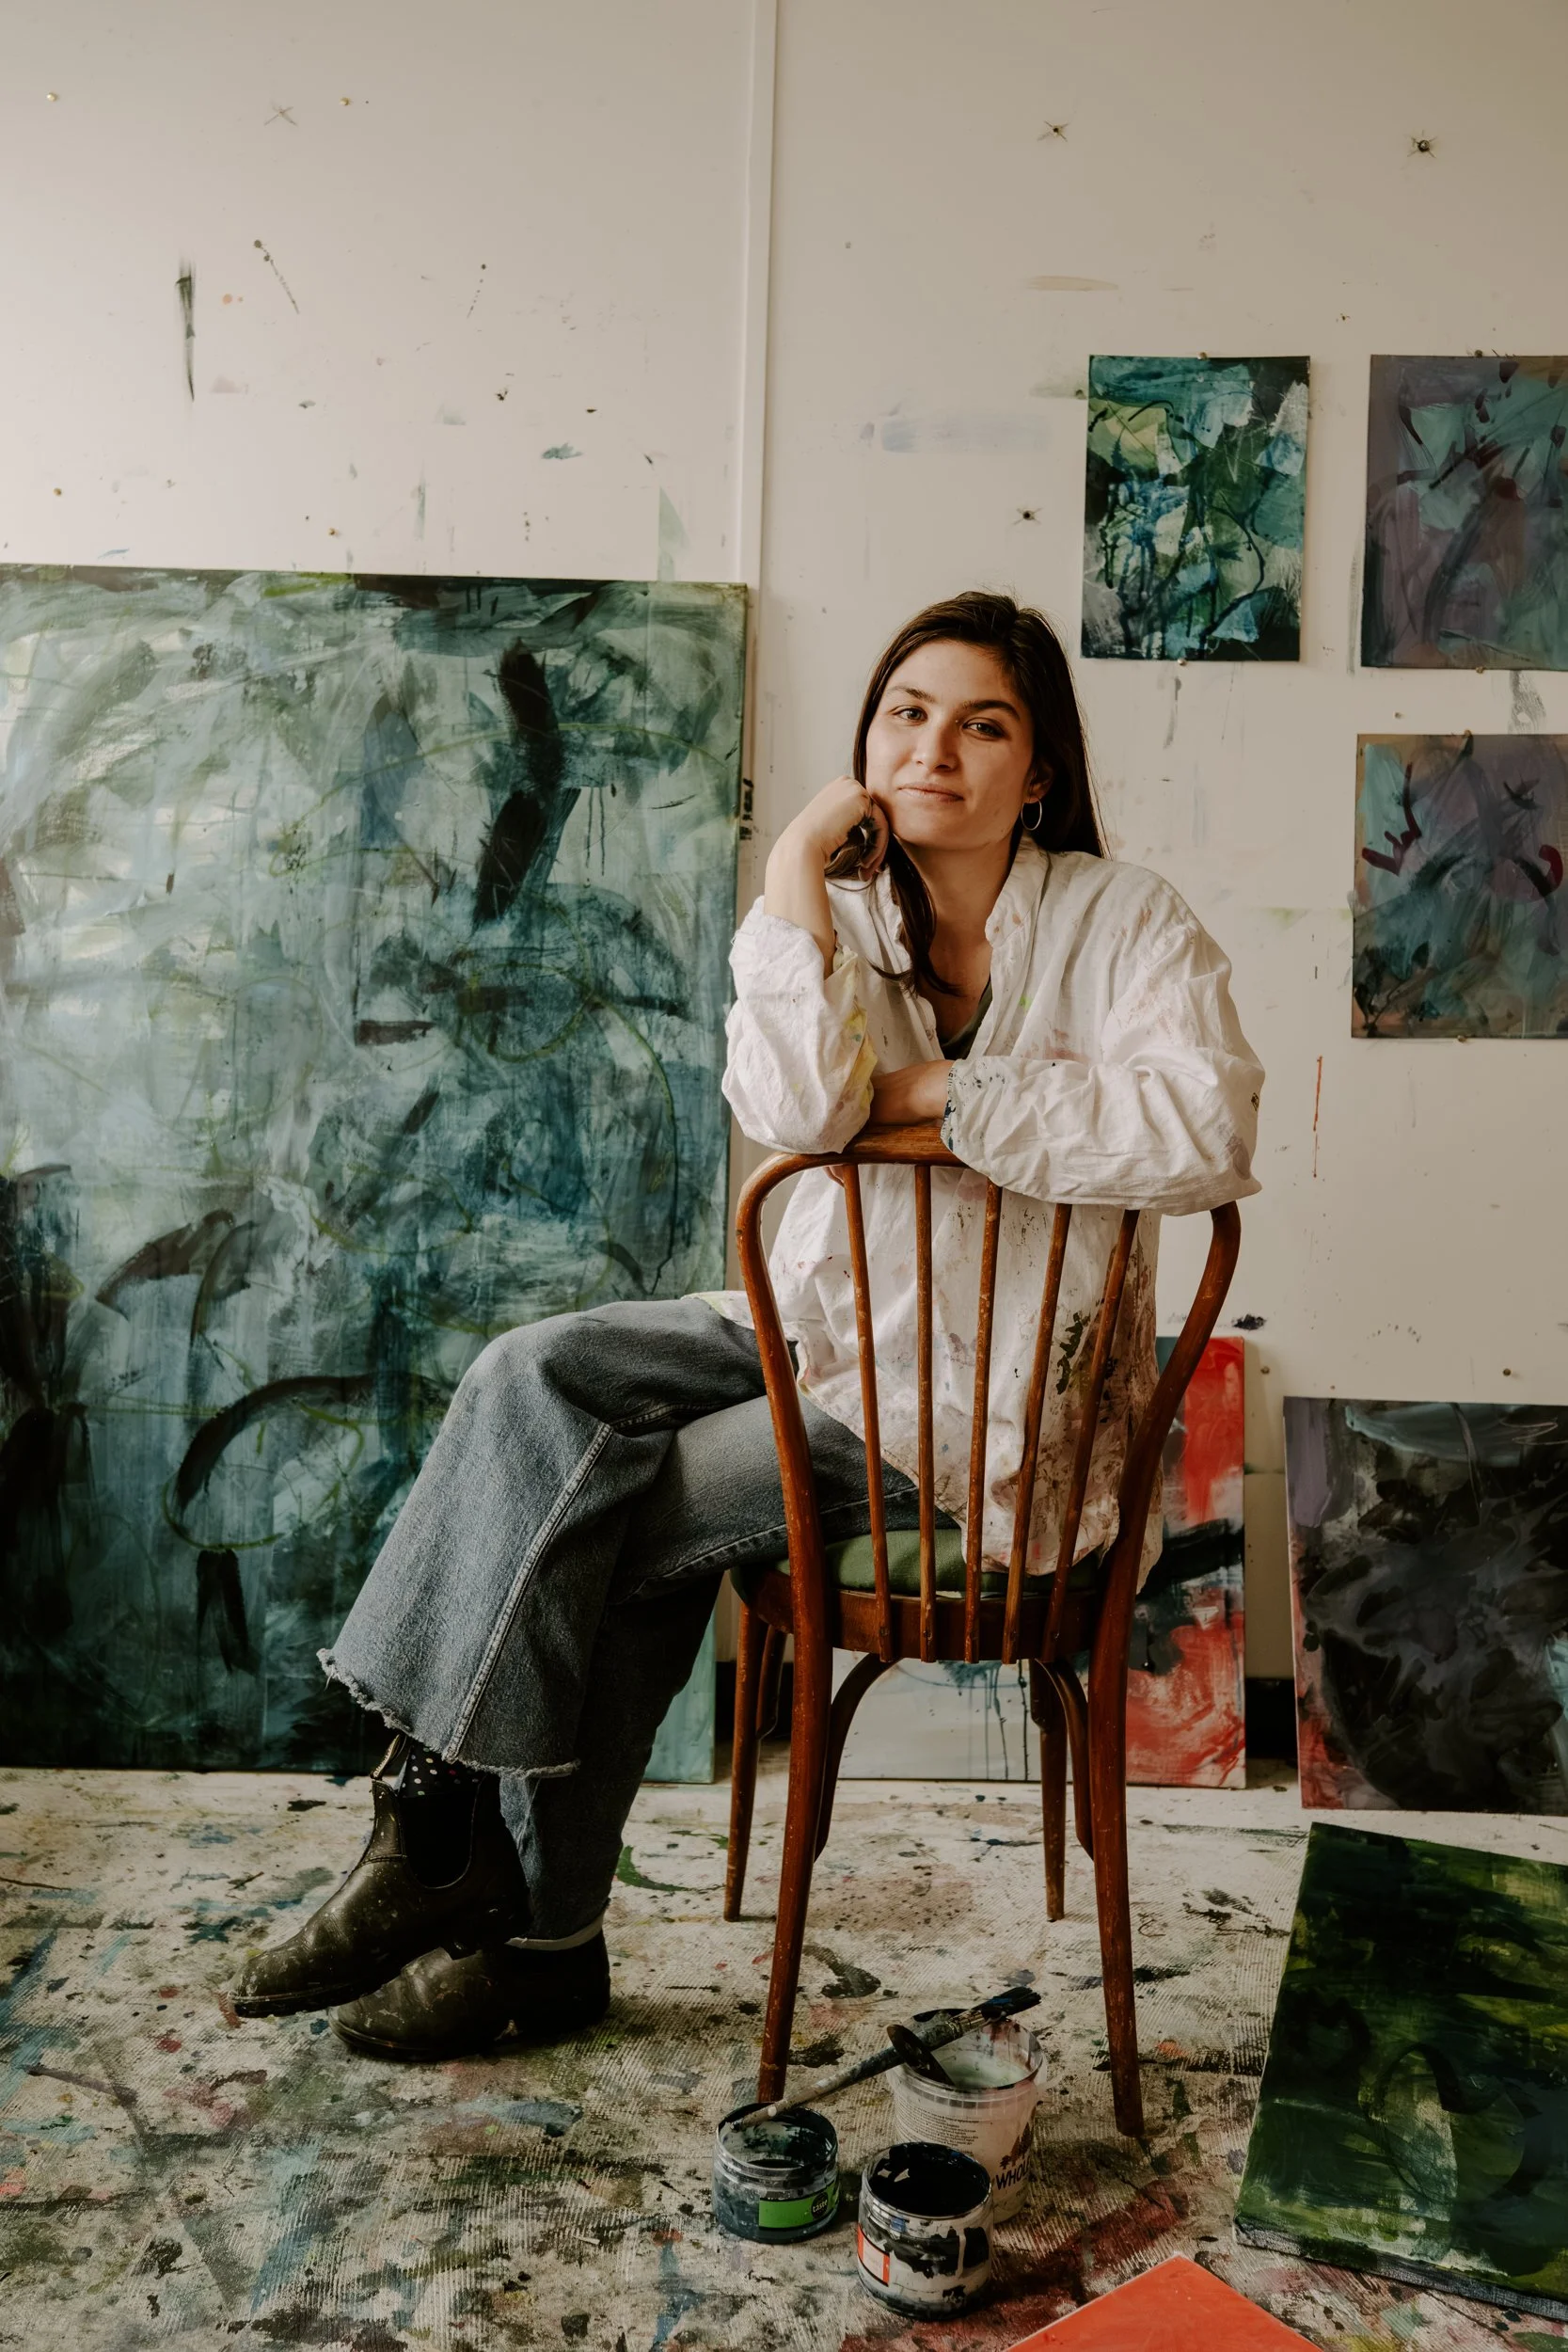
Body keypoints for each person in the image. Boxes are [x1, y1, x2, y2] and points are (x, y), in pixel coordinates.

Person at [231, 591, 1263, 2059]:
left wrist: (937, 1093)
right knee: (531, 1376)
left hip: (969, 1411)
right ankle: (435, 1820)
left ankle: (526, 1930)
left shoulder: (1124, 921)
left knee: (606, 1531)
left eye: (982, 725)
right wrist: (791, 874)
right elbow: (794, 1108)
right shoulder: (836, 913)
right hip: (817, 1319)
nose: (934, 750)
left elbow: (1203, 1128)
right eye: (905, 714)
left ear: (1037, 771)